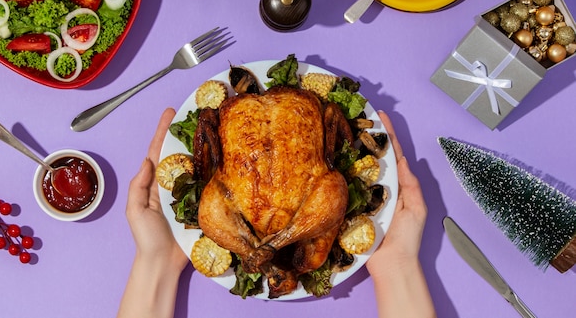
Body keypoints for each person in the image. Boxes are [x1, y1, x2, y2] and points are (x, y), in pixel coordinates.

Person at [116, 108, 436, 318]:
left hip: (283, 182)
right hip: (262, 186)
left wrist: (154, 261)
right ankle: (265, 249)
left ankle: (264, 249)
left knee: (329, 193)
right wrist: (399, 266)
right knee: (330, 193)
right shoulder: (310, 257)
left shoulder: (309, 257)